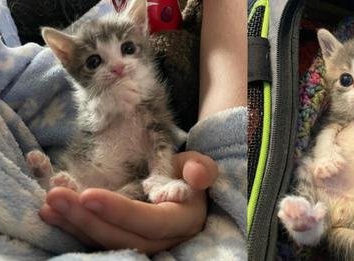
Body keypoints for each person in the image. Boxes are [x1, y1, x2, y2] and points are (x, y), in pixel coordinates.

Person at [37, 0, 247, 256]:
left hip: (135, 183)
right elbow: (94, 126)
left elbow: (161, 141)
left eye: (126, 49)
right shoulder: (96, 102)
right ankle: (59, 185)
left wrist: (163, 177)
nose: (116, 66)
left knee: (156, 142)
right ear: (67, 59)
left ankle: (137, 188)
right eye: (94, 62)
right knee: (73, 180)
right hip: (92, 171)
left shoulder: (149, 92)